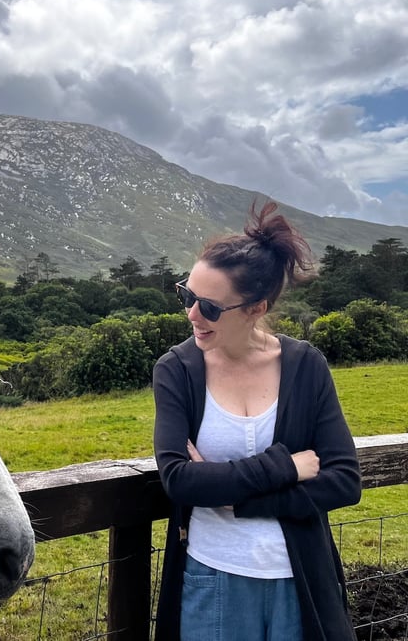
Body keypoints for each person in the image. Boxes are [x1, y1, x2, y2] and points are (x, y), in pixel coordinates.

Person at [152, 200, 361, 641]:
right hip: (212, 577)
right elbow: (180, 480)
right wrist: (285, 467)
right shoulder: (176, 370)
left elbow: (344, 481)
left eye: (208, 306)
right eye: (186, 295)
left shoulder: (306, 367)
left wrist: (239, 500)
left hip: (300, 581)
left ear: (255, 308)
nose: (191, 314)